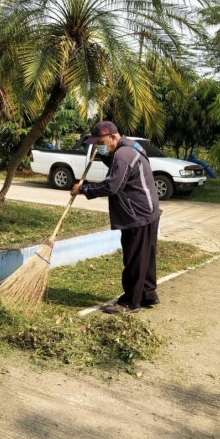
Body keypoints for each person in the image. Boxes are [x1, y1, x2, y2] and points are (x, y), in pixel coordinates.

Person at [71, 121, 161, 314]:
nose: (98, 147)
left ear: (112, 137)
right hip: (149, 210)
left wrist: (83, 189)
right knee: (145, 256)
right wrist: (104, 155)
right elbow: (119, 168)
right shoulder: (131, 146)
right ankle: (148, 294)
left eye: (100, 142)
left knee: (134, 258)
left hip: (137, 213)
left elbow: (112, 186)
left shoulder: (122, 155)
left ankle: (130, 303)